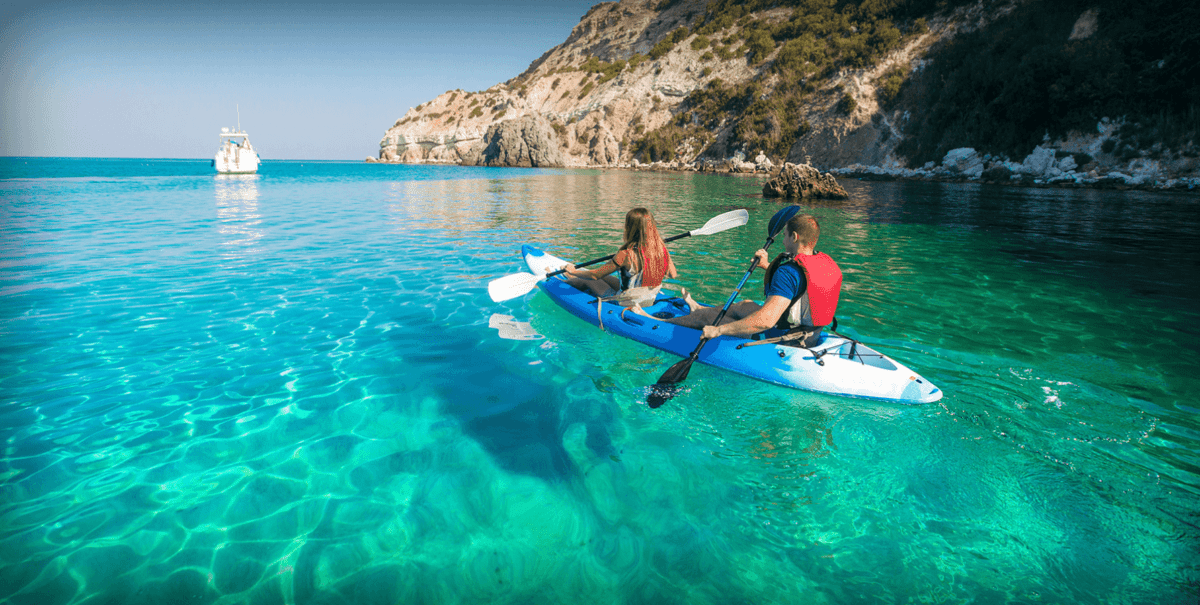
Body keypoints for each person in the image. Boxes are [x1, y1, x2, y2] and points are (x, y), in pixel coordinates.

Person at [635, 213, 841, 348]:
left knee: (708, 321)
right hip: (810, 332)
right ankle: (697, 309)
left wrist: (719, 330)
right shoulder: (820, 262)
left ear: (794, 237)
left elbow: (766, 321)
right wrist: (766, 267)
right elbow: (802, 288)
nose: (783, 239)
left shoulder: (788, 272)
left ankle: (660, 323)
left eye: (785, 235)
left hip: (787, 339)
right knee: (744, 305)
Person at [559, 208, 679, 308]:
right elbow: (672, 274)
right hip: (648, 299)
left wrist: (574, 271)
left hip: (626, 301)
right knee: (606, 277)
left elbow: (595, 275)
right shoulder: (661, 249)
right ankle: (571, 276)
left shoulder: (626, 254)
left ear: (631, 228)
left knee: (589, 279)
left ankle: (565, 280)